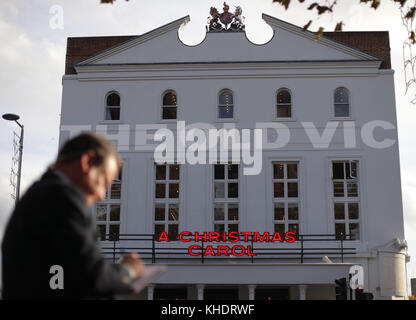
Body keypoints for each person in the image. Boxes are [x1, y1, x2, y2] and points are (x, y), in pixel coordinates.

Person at [1, 132, 145, 299]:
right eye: (104, 183)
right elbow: (89, 276)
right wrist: (128, 271)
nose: (102, 196)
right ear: (87, 162)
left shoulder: (41, 194)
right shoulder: (61, 197)